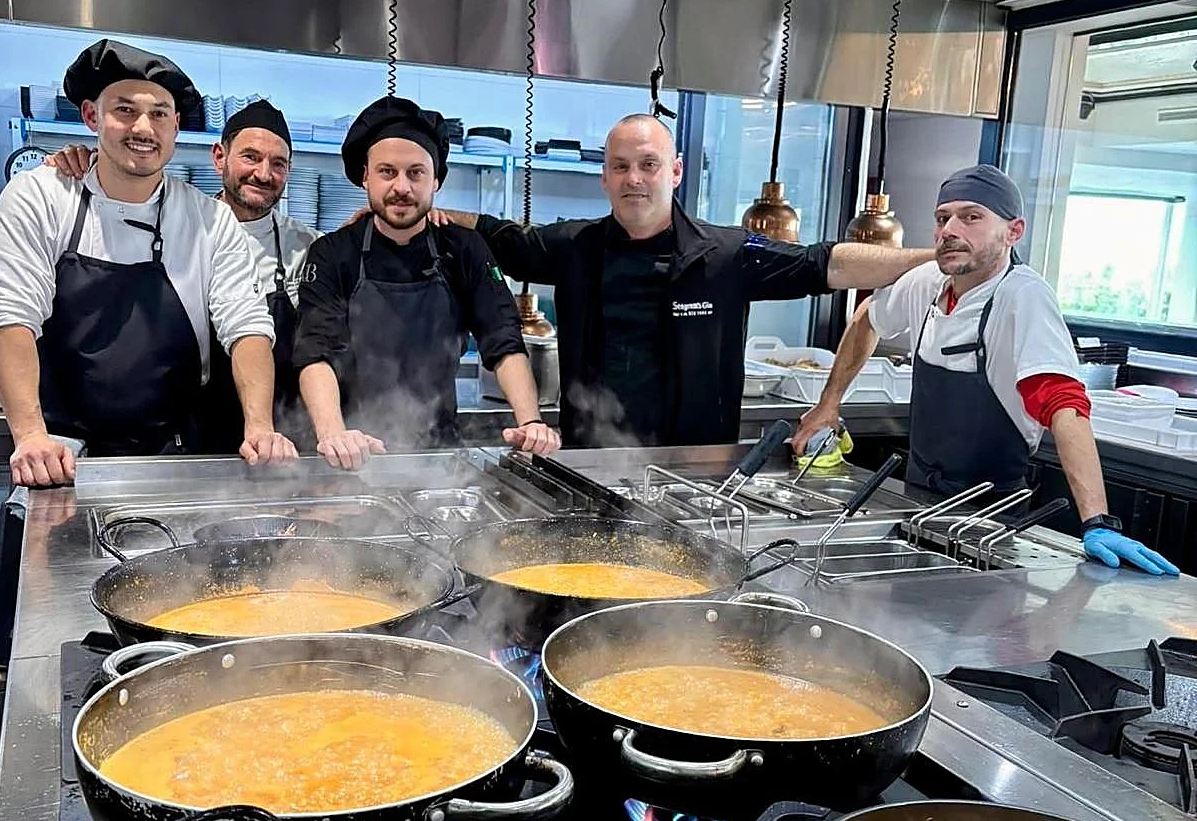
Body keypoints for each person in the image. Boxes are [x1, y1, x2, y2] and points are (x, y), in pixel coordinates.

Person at [430, 114, 937, 448]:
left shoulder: (726, 255)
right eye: (620, 166)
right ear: (604, 177)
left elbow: (824, 264)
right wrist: (420, 211)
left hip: (693, 472)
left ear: (674, 172)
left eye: (648, 165)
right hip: (589, 464)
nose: (634, 178)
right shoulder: (573, 247)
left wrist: (937, 257)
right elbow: (497, 235)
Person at [791, 164, 1177, 576]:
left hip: (990, 521)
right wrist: (828, 403)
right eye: (943, 218)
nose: (949, 230)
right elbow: (868, 317)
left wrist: (1097, 521)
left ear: (1014, 231)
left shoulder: (1023, 296)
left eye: (971, 217)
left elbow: (1063, 404)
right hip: (917, 502)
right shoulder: (927, 281)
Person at [0, 39, 296, 487]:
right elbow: (12, 315)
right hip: (59, 456)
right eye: (125, 110)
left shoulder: (208, 219)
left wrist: (259, 426)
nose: (143, 127)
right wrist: (30, 435)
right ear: (91, 116)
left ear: (175, 126)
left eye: (158, 114)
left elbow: (247, 327)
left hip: (170, 455)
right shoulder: (41, 196)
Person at [292, 96, 559, 469]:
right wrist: (334, 434)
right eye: (387, 172)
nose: (401, 186)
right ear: (365, 176)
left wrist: (530, 422)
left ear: (436, 180)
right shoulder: (333, 253)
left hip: (439, 457)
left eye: (415, 173)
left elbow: (503, 339)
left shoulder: (464, 249)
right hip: (350, 452)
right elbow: (315, 353)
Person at [45, 99, 320, 450]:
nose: (263, 174)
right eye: (250, 157)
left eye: (278, 164)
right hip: (191, 435)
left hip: (277, 436)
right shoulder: (182, 225)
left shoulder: (310, 246)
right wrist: (95, 166)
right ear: (219, 156)